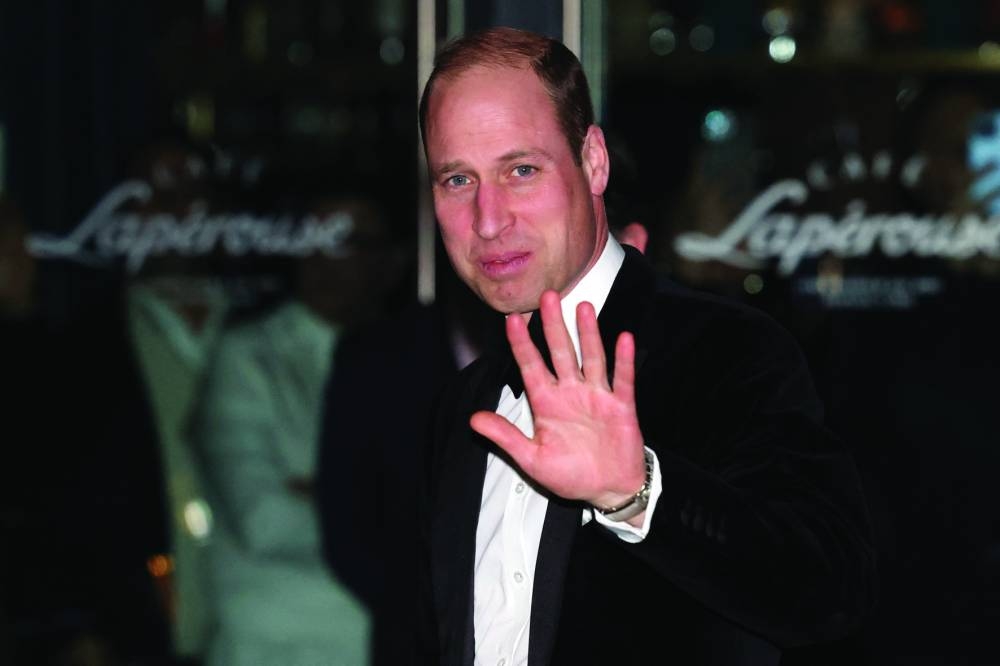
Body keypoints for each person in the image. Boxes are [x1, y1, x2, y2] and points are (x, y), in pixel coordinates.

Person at [417, 27, 876, 665]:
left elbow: (828, 595)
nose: (489, 220)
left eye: (521, 170)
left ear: (594, 161)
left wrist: (638, 493)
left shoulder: (729, 351)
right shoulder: (464, 404)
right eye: (457, 181)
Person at [191, 193, 397, 666]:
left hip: (381, 640)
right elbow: (264, 518)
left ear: (389, 259)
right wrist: (375, 500)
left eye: (348, 241)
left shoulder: (404, 358)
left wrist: (324, 491)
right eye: (313, 238)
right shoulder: (247, 356)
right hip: (274, 643)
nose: (324, 255)